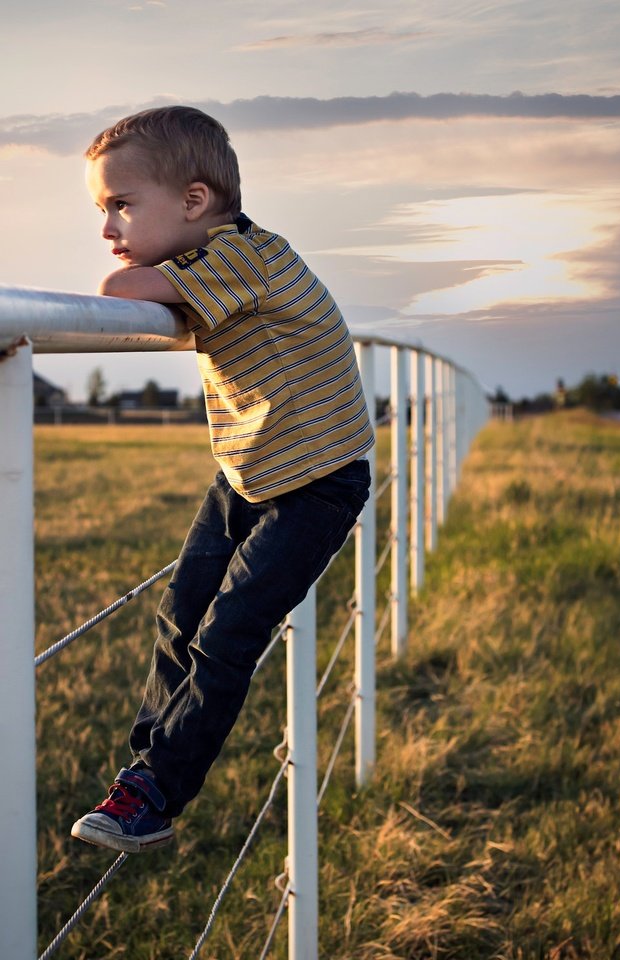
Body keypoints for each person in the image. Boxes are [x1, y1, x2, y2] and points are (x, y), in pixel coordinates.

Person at [71, 105, 374, 853]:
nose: (108, 228)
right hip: (251, 467)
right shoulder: (217, 258)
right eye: (101, 210)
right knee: (181, 614)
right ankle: (145, 768)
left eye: (120, 205)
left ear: (194, 203)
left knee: (227, 634)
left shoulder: (241, 255)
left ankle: (158, 791)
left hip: (317, 479)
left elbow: (123, 290)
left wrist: (131, 270)